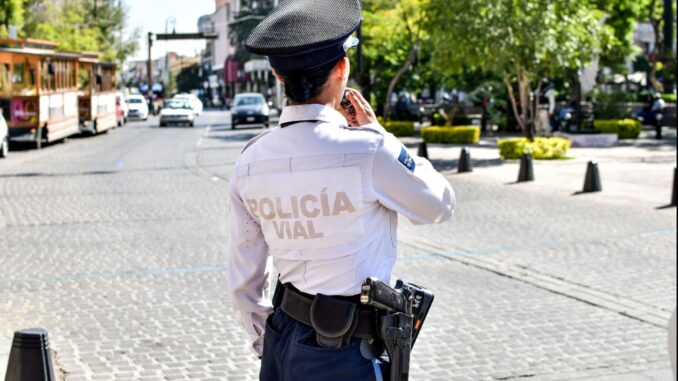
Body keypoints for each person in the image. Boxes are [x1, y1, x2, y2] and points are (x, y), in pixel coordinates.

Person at [227, 1, 455, 380]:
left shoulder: (250, 160)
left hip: (282, 343)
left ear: (277, 76)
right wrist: (380, 134)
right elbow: (439, 204)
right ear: (341, 69)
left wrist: (267, 345)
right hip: (346, 353)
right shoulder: (368, 150)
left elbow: (244, 278)